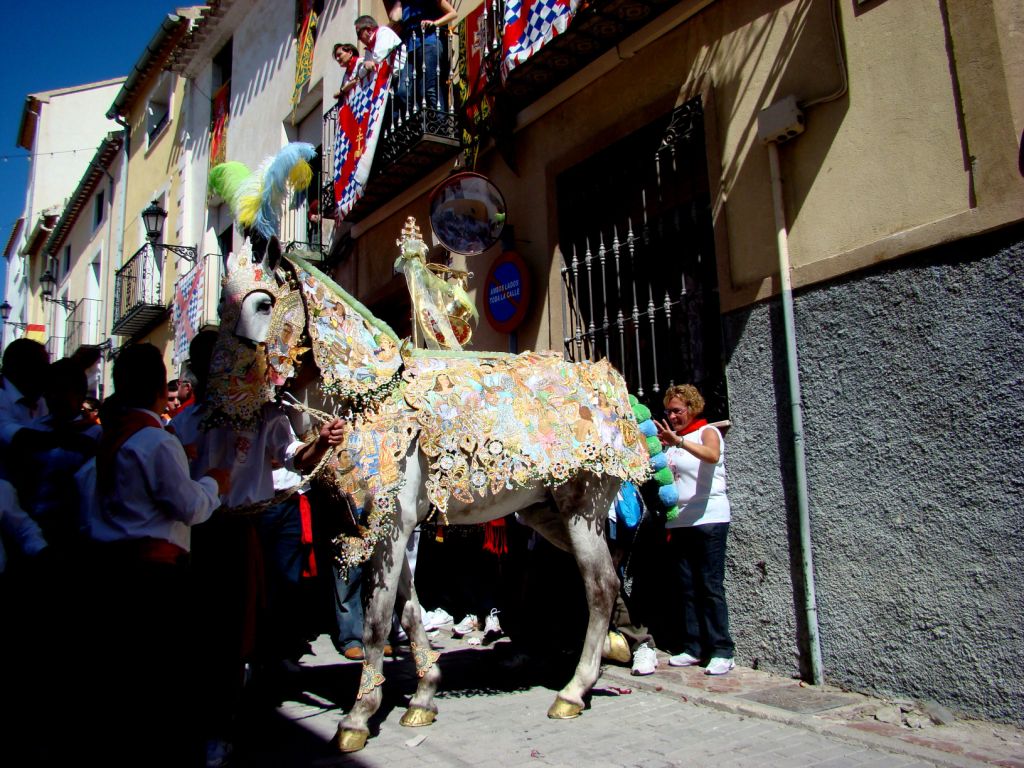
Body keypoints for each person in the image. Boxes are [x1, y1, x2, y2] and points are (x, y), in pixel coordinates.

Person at [86, 343, 229, 765]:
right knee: (163, 676)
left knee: (129, 677)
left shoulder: (112, 437)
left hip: (114, 569)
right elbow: (189, 507)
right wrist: (214, 483)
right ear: (156, 387)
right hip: (156, 575)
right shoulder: (154, 441)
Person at [655, 384, 735, 676]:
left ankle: (722, 650)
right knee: (687, 588)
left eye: (677, 411)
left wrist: (678, 442)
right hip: (680, 521)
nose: (672, 416)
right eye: (668, 412)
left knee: (710, 586)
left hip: (708, 518)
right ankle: (694, 647)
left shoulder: (706, 432)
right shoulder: (671, 441)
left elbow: (711, 456)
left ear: (692, 408)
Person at [386, 0, 457, 112]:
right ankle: (419, 118)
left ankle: (438, 119)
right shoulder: (404, 4)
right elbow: (394, 18)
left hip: (429, 43)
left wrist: (435, 23)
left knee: (429, 89)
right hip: (411, 50)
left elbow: (453, 13)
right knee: (403, 92)